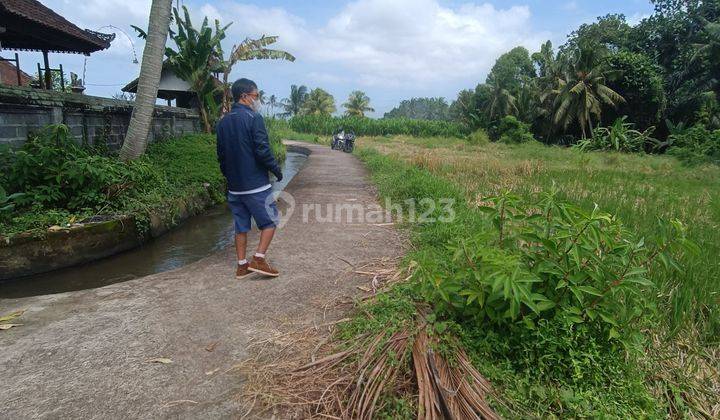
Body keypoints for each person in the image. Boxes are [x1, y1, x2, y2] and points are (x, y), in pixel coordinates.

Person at [216, 78, 283, 279]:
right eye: (256, 95)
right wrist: (276, 170)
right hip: (255, 186)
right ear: (245, 96)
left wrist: (229, 177)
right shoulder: (254, 118)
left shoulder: (223, 122)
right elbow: (262, 150)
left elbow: (221, 155)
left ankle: (242, 266)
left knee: (241, 226)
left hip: (235, 188)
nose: (258, 99)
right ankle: (259, 259)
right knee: (271, 221)